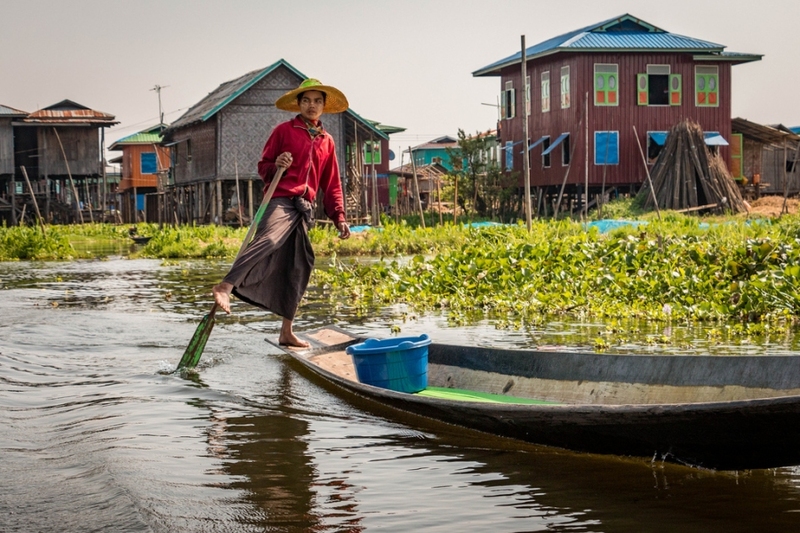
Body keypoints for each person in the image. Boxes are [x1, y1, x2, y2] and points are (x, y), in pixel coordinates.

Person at [212, 78, 351, 347]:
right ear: (298, 104)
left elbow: (331, 183)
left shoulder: (327, 141)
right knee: (270, 239)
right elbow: (263, 168)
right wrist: (278, 165)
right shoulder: (284, 131)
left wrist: (339, 217)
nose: (312, 105)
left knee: (301, 264)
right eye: (307, 100)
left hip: (304, 206)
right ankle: (225, 286)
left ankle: (286, 331)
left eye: (317, 101)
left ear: (323, 106)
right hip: (280, 199)